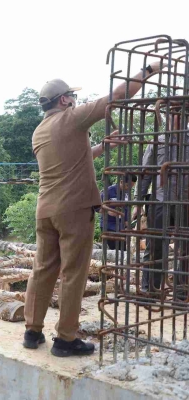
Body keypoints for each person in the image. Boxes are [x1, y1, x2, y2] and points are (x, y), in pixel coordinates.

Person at [23, 60, 164, 357]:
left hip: (45, 210)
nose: (73, 100)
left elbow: (75, 154)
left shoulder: (40, 131)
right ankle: (65, 339)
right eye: (71, 97)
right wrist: (149, 71)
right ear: (64, 100)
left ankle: (32, 331)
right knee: (74, 272)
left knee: (42, 270)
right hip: (74, 209)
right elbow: (118, 96)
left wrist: (104, 146)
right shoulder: (71, 118)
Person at [138, 115, 189, 295]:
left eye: (180, 114)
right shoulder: (157, 142)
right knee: (155, 245)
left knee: (185, 247)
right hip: (160, 200)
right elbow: (145, 174)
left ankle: (182, 292)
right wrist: (138, 202)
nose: (176, 119)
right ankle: (150, 290)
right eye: (173, 114)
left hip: (185, 202)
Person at [100, 175, 137, 251]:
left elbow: (126, 209)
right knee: (115, 250)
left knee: (122, 250)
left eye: (132, 186)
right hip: (108, 226)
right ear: (121, 182)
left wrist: (128, 223)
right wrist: (108, 211)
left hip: (121, 227)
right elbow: (97, 206)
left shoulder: (127, 193)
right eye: (128, 185)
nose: (129, 188)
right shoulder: (108, 191)